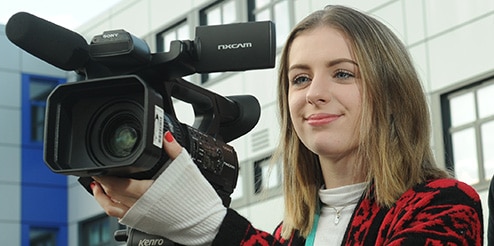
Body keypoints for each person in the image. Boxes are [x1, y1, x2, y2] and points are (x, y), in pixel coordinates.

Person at [90, 5, 483, 245]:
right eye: (300, 79)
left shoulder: (444, 205)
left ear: (392, 91)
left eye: (343, 74)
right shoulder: (288, 235)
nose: (314, 93)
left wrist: (207, 223)